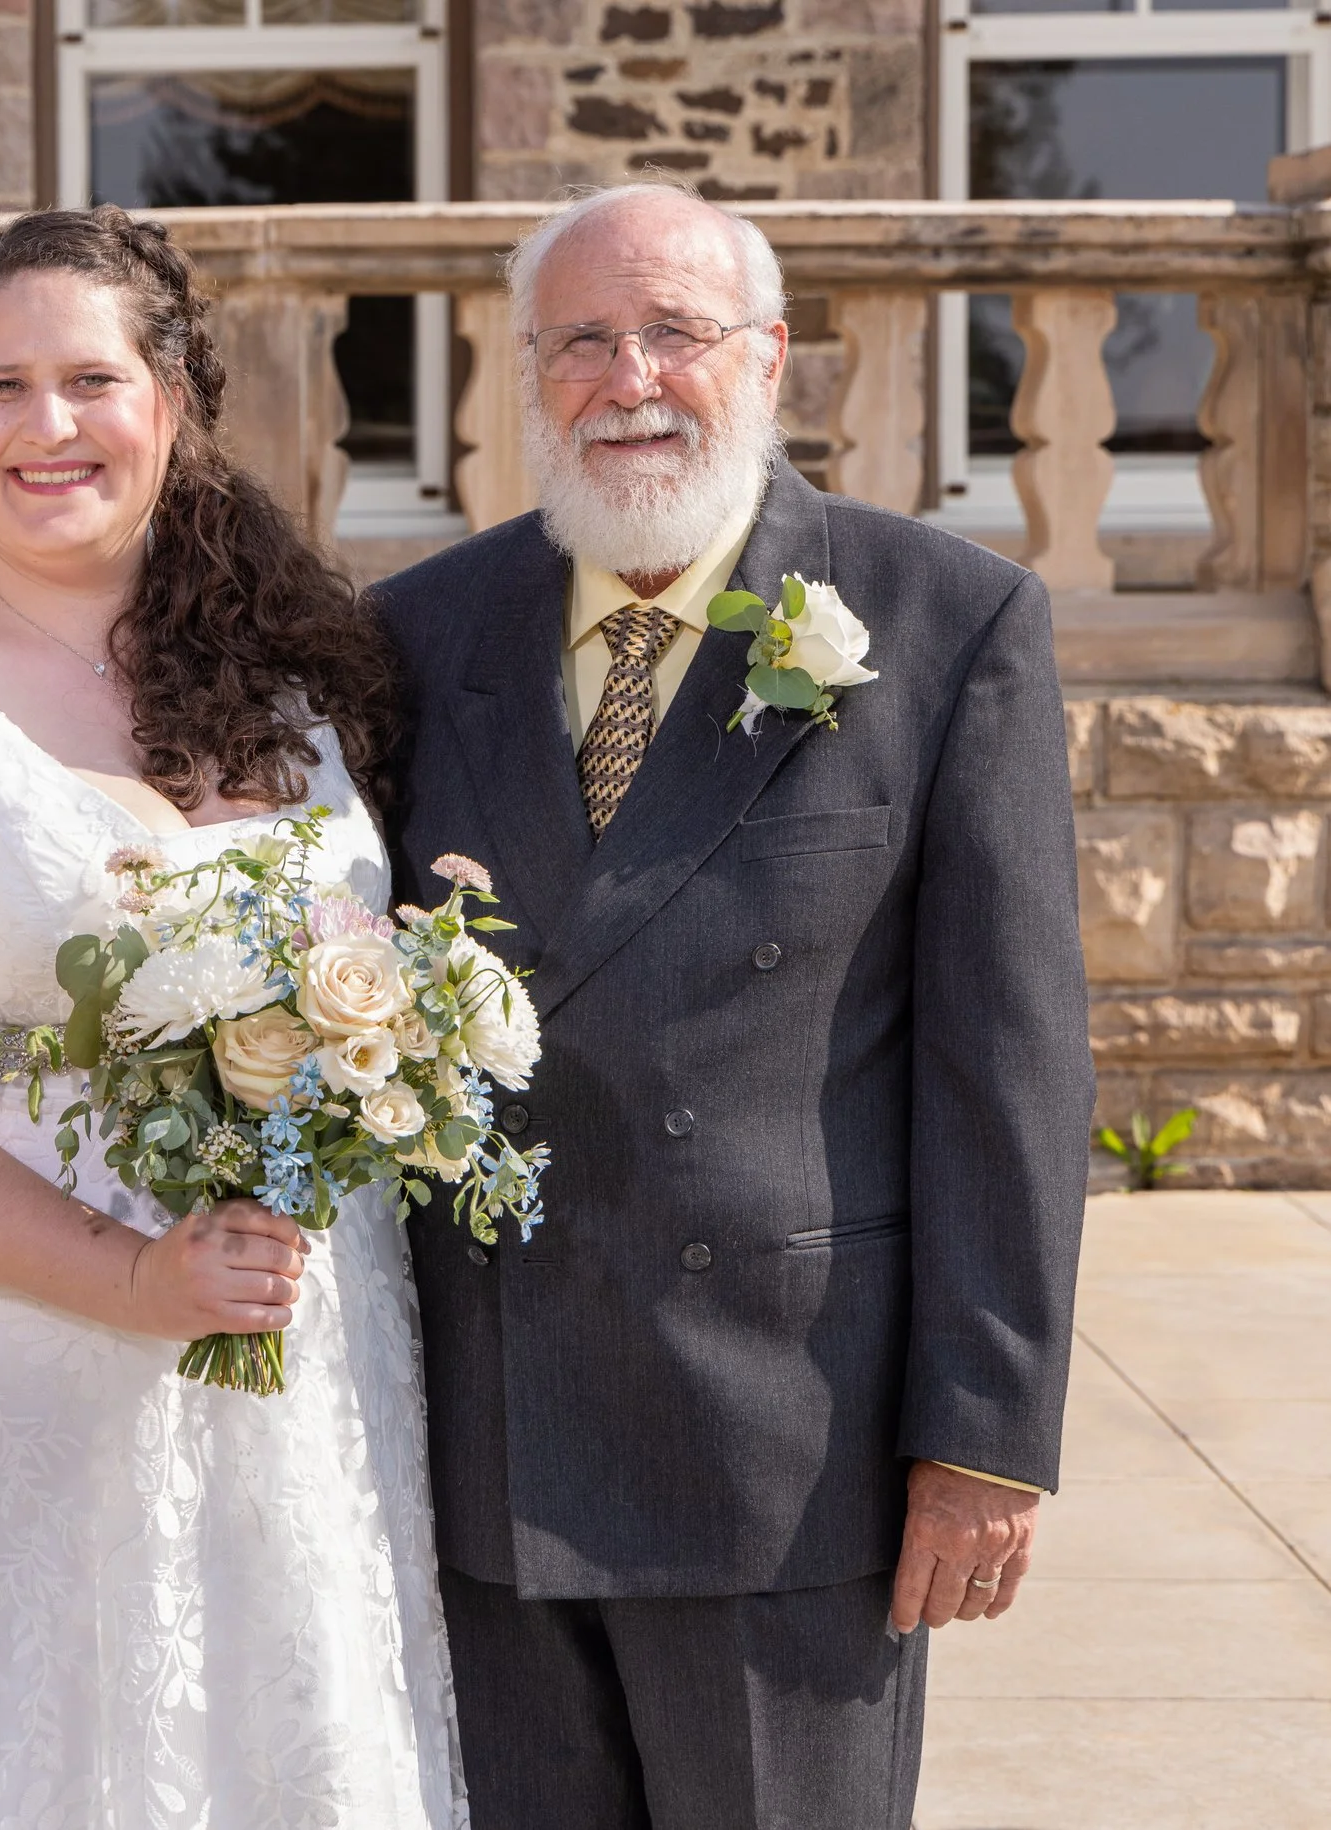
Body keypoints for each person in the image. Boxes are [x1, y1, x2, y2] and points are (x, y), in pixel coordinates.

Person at [0, 206, 465, 1827]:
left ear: (172, 401)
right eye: (0, 386)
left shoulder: (290, 671)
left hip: (291, 1368)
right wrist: (128, 1277)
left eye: (88, 381)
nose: (43, 425)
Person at [374, 180, 1094, 1826]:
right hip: (488, 1444)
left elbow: (1011, 1066)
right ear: (528, 372)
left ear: (769, 358)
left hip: (788, 1458)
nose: (629, 379)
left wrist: (987, 1434)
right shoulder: (419, 633)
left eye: (676, 332)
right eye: (581, 340)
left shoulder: (947, 622)